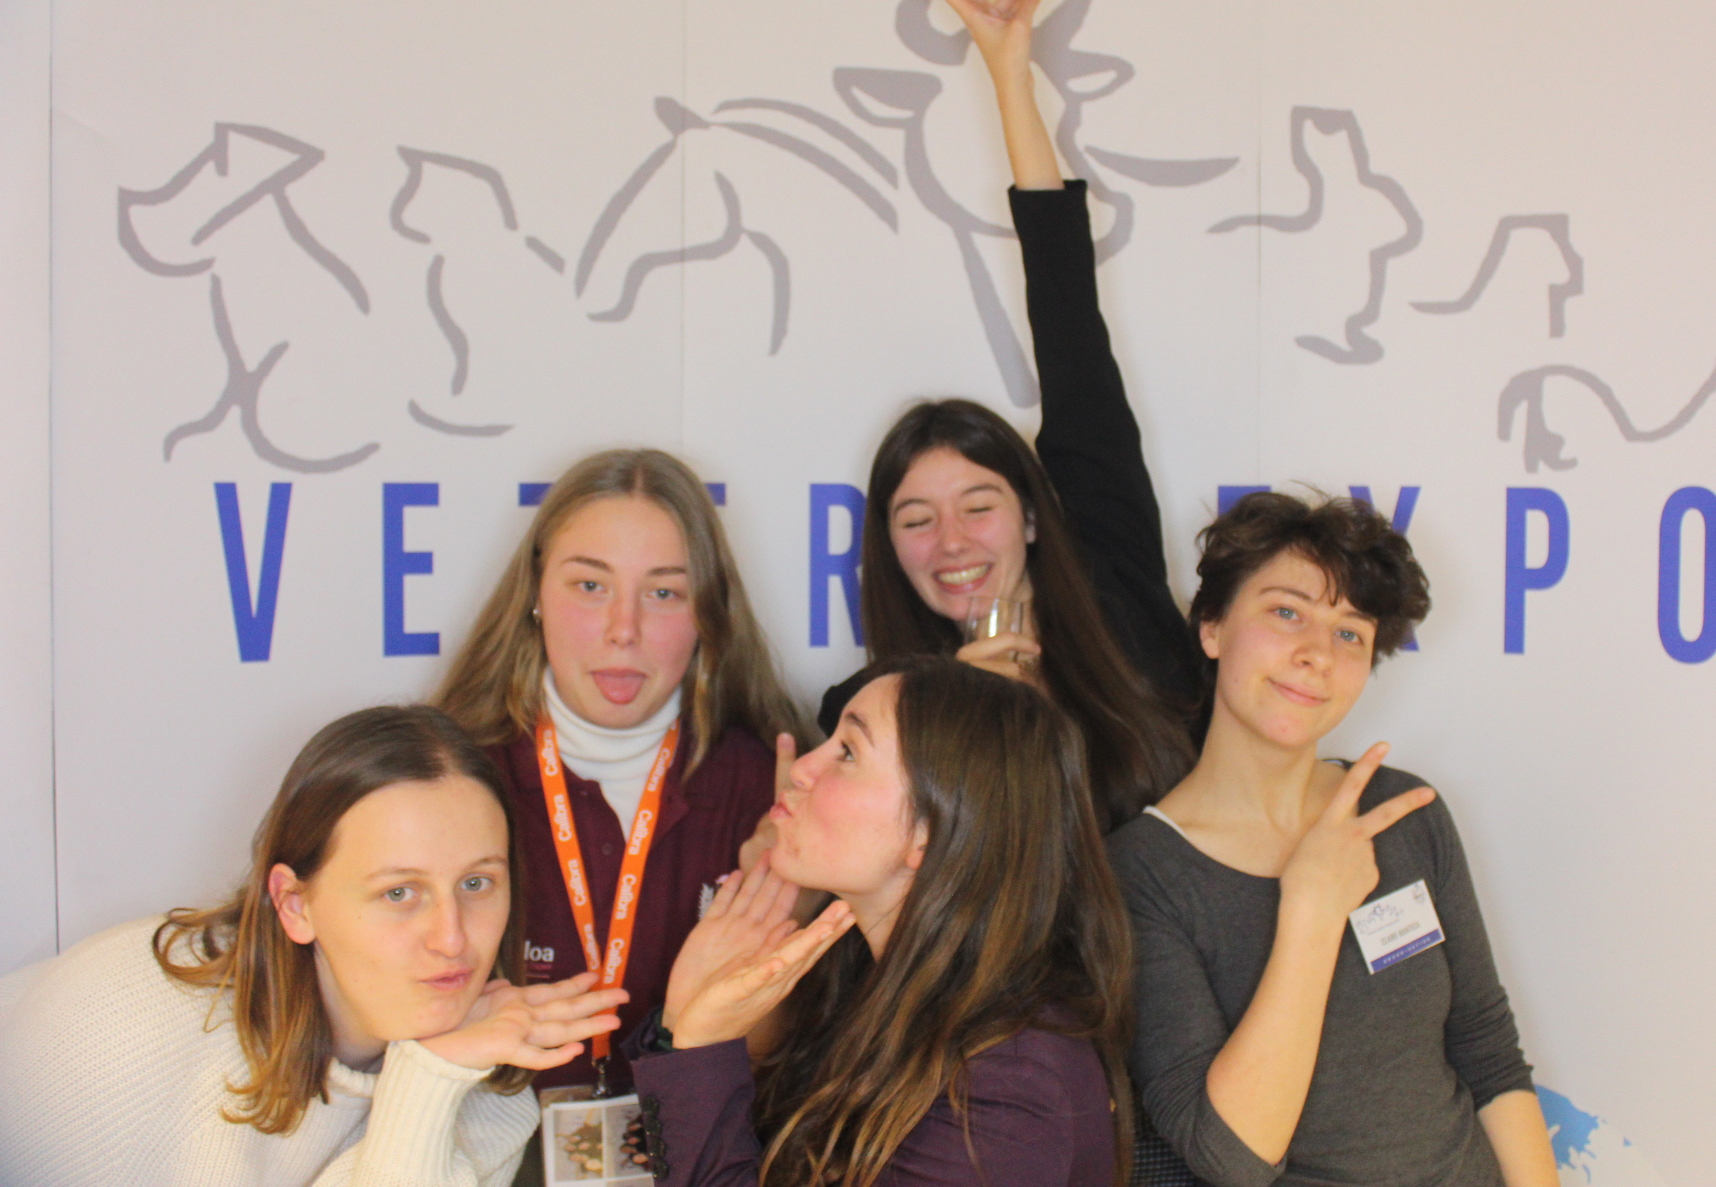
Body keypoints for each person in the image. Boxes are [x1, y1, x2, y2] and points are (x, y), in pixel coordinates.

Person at [815, 0, 1198, 834]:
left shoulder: (1116, 597)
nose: (951, 541)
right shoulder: (864, 715)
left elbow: (1071, 331)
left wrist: (1010, 77)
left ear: (1030, 515)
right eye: (916, 519)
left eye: (978, 505)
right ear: (888, 547)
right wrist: (948, 713)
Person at [1108, 493, 1560, 1187]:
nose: (1317, 653)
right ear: (1213, 627)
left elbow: (1489, 1056)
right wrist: (1313, 912)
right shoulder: (1140, 871)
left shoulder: (1405, 811)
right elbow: (1231, 1156)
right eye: (1287, 613)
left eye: (1350, 633)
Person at [0, 704, 626, 1187]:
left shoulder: (482, 1086)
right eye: (399, 893)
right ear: (295, 904)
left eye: (476, 883)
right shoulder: (116, 1027)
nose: (452, 937)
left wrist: (430, 1078)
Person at [621, 657, 1132, 1186]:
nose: (802, 768)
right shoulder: (865, 972)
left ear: (931, 832)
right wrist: (681, 1024)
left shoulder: (1007, 1086)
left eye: (847, 752)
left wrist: (699, 1046)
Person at [433, 448, 812, 1097]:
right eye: (590, 586)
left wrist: (782, 920)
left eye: (664, 593)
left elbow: (786, 1072)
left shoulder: (773, 795)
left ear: (707, 614)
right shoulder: (447, 781)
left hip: (698, 1144)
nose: (623, 630)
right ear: (535, 595)